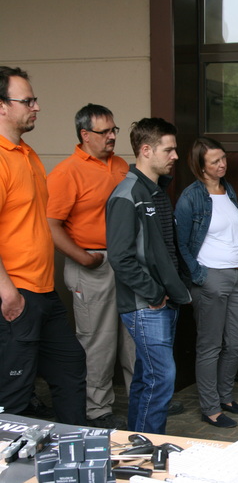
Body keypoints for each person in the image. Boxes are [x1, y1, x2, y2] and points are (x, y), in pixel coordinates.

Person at [0, 66, 87, 424]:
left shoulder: (28, 155)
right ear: (2, 106)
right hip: (16, 293)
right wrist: (8, 292)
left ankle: (73, 453)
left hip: (43, 291)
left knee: (70, 366)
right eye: (27, 100)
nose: (36, 106)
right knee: (14, 393)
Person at [46, 104, 135, 430]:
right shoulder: (67, 172)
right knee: (97, 340)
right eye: (104, 132)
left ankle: (142, 399)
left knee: (133, 336)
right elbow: (51, 223)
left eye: (114, 130)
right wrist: (83, 257)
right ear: (85, 135)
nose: (112, 136)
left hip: (126, 262)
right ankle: (97, 411)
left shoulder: (121, 165)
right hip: (92, 264)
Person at [106, 117, 191, 434]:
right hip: (146, 304)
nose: (175, 156)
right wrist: (155, 294)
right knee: (161, 377)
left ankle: (136, 445)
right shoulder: (127, 194)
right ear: (146, 150)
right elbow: (120, 257)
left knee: (147, 376)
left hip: (162, 302)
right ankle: (147, 449)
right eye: (169, 150)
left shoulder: (154, 191)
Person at [175, 137, 238, 428]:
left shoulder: (228, 190)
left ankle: (225, 396)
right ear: (200, 166)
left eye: (223, 158)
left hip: (237, 274)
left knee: (236, 341)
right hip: (211, 277)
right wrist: (199, 276)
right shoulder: (190, 197)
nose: (223, 164)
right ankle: (210, 408)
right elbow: (180, 244)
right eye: (215, 161)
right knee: (210, 346)